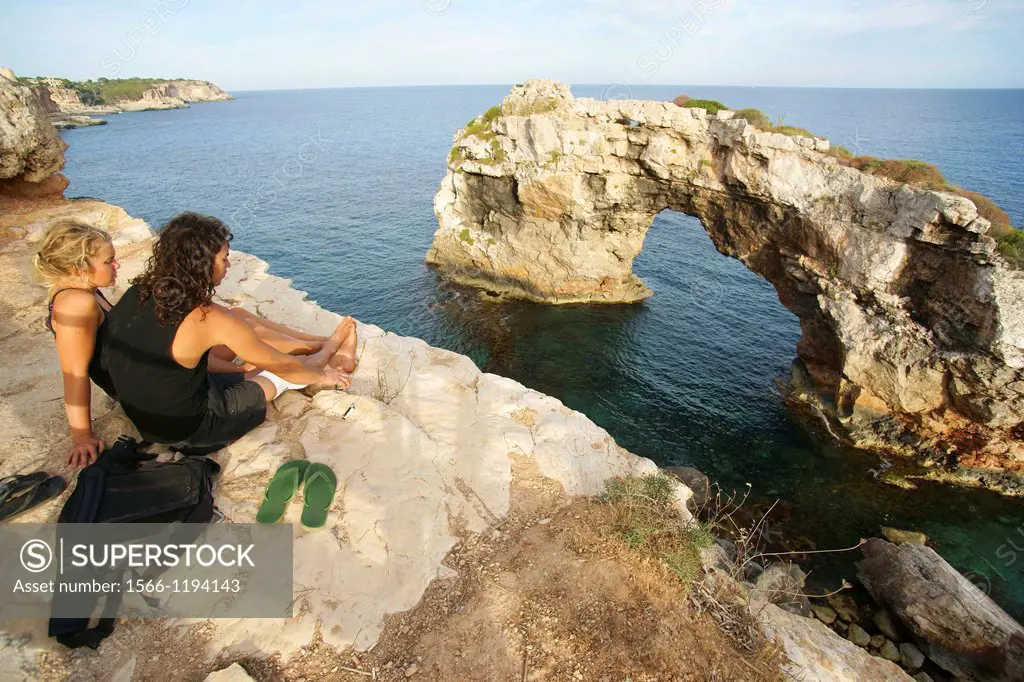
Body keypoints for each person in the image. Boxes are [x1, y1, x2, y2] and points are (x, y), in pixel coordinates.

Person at [105, 212, 357, 455]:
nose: (228, 265)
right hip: (192, 431)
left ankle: (323, 350)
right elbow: (286, 367)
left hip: (149, 417)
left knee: (252, 369)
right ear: (201, 264)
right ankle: (329, 349)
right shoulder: (208, 318)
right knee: (279, 375)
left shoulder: (138, 292)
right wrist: (321, 375)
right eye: (224, 258)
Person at [33, 220, 120, 468]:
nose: (116, 265)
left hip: (135, 371)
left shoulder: (85, 290)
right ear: (77, 268)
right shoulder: (76, 304)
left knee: (237, 318)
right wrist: (82, 436)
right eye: (108, 261)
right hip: (136, 386)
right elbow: (74, 374)